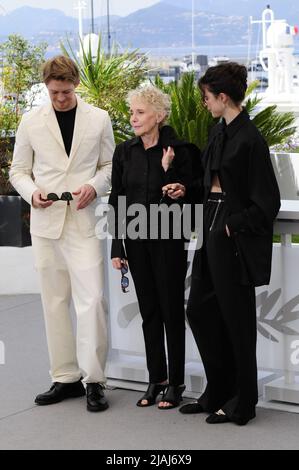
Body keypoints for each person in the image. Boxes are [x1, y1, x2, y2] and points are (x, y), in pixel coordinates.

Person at [163, 62, 281, 425]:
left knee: (237, 320)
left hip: (231, 233)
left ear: (223, 97)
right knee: (199, 309)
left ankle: (243, 401)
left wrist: (233, 226)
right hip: (210, 226)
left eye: (207, 98)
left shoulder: (251, 139)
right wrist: (185, 189)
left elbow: (268, 202)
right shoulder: (219, 131)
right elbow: (208, 181)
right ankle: (218, 389)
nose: (204, 103)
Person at [10, 55, 115, 412]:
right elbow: (18, 171)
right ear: (46, 87)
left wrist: (94, 186)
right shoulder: (30, 121)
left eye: (66, 91)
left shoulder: (99, 118)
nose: (60, 98)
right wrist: (31, 193)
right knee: (54, 302)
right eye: (54, 92)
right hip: (45, 221)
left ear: (76, 85)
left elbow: (108, 166)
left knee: (93, 300)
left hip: (84, 220)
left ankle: (95, 380)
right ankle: (65, 377)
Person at [109, 85, 194, 409]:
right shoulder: (124, 152)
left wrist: (169, 171)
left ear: (158, 115)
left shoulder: (180, 150)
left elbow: (192, 190)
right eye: (132, 112)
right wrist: (118, 247)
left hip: (169, 240)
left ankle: (176, 383)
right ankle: (155, 379)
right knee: (149, 313)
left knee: (172, 312)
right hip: (136, 241)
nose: (133, 118)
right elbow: (117, 199)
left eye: (140, 112)